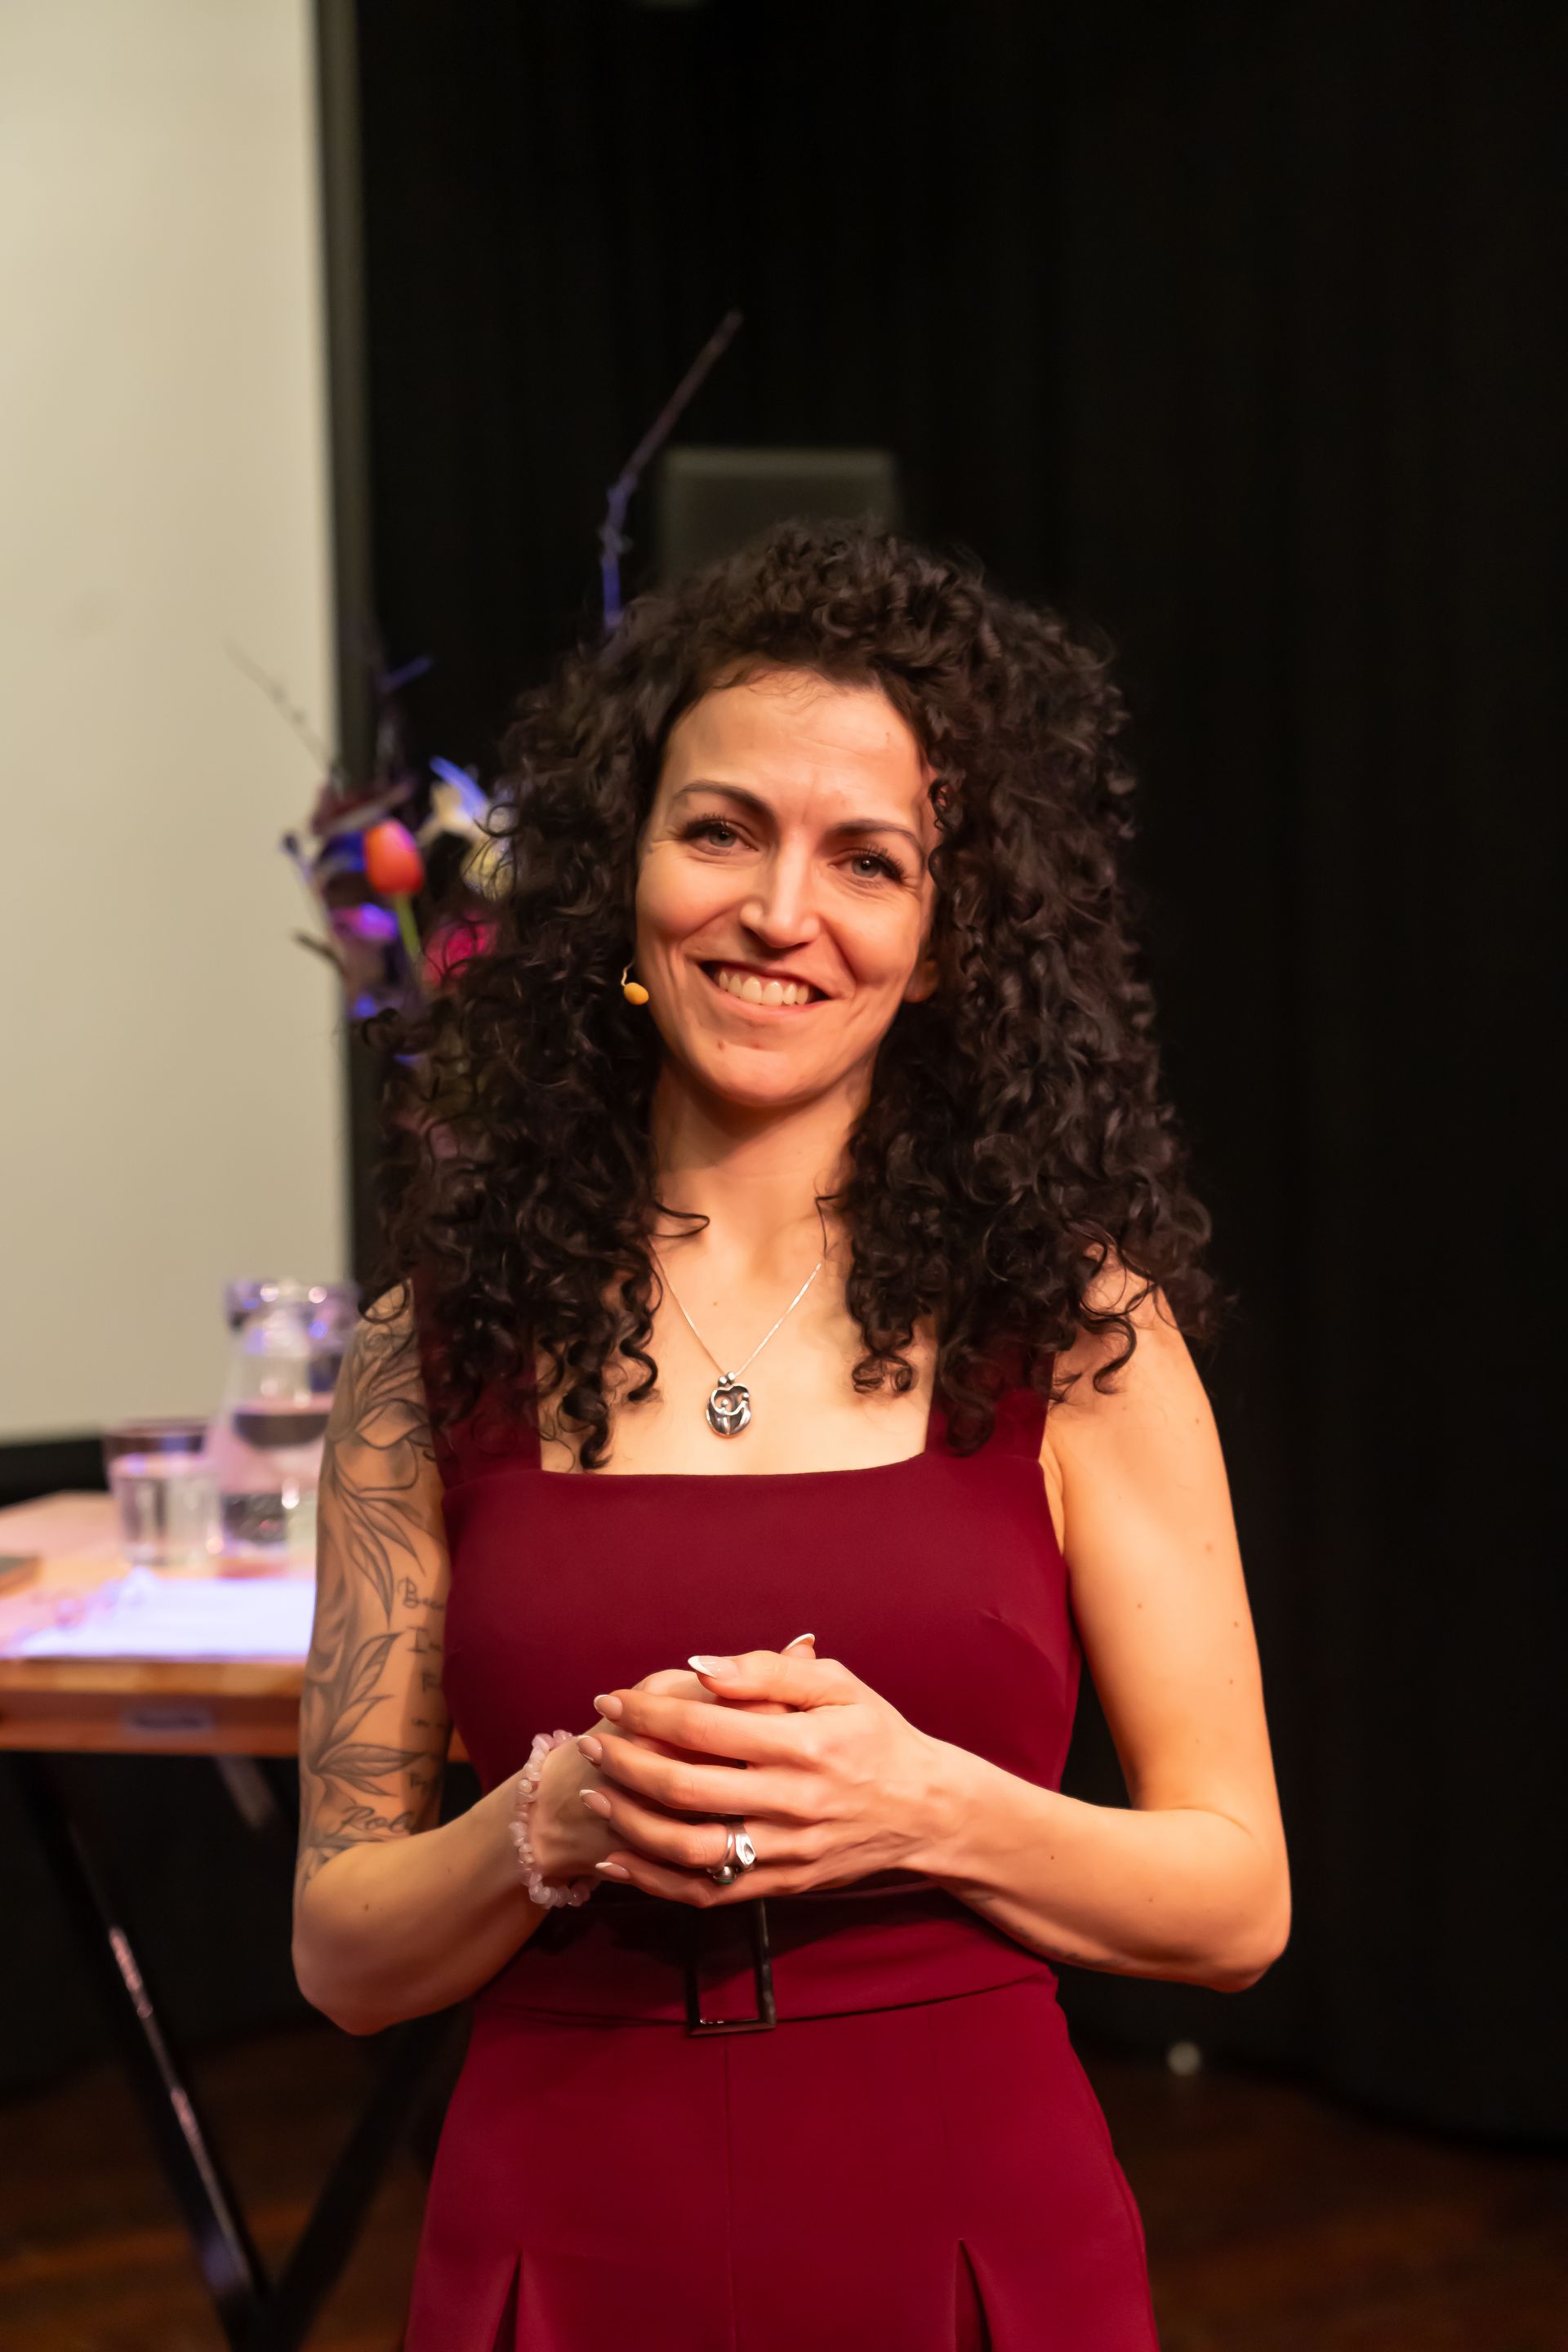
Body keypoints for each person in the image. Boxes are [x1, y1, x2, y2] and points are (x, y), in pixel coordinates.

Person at [292, 520, 1290, 2351]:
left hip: (977, 2240)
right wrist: (545, 1817)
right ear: (621, 871)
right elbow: (344, 1955)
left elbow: (1236, 1899)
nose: (780, 914)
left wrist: (927, 1805)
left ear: (941, 937)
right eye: (723, 829)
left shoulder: (1082, 1337)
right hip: (556, 2246)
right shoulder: (425, 1356)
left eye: (870, 860)